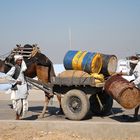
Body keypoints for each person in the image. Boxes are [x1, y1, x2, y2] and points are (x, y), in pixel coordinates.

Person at [6, 54, 28, 120]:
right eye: (18, 60)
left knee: (24, 103)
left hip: (24, 87)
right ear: (16, 61)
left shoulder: (23, 68)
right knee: (18, 103)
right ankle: (17, 116)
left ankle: (21, 116)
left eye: (21, 60)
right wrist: (16, 81)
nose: (20, 62)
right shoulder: (14, 68)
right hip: (18, 87)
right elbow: (7, 76)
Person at [129, 56, 140, 120]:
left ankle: (135, 116)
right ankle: (135, 116)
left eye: (131, 64)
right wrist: (120, 73)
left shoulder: (138, 67)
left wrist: (133, 83)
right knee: (138, 101)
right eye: (130, 63)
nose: (130, 65)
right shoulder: (133, 66)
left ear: (134, 63)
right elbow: (130, 73)